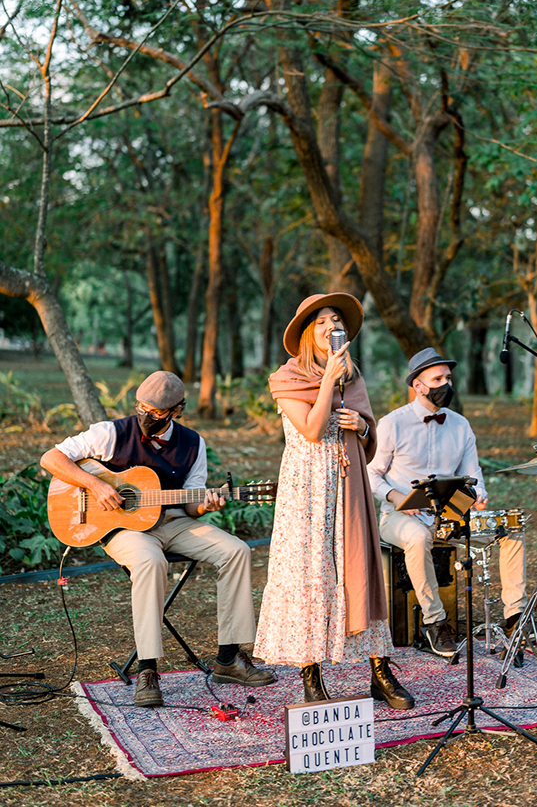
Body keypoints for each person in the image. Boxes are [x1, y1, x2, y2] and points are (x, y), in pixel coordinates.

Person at [40, 371, 275, 707]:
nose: (146, 416)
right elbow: (51, 458)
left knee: (236, 550)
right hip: (124, 529)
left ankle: (228, 659)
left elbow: (192, 501)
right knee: (151, 561)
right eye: (141, 407)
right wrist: (96, 485)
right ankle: (147, 668)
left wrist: (205, 504)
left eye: (156, 412)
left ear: (177, 410)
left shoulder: (193, 444)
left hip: (174, 522)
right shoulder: (110, 433)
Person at [253, 293, 414, 710]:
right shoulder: (286, 377)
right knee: (309, 573)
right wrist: (327, 382)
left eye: (336, 319)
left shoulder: (354, 378)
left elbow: (369, 437)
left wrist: (361, 425)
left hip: (347, 484)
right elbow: (309, 429)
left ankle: (380, 672)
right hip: (306, 489)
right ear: (309, 332)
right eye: (321, 320)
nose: (330, 326)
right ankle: (311, 676)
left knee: (359, 568)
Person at [367, 347, 527, 659]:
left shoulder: (461, 425)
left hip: (452, 515)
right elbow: (370, 475)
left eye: (449, 378)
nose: (446, 384)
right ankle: (435, 622)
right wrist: (397, 497)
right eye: (437, 378)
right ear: (418, 385)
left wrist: (478, 494)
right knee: (417, 537)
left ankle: (514, 619)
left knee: (511, 530)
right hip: (399, 517)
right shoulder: (391, 424)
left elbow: (473, 475)